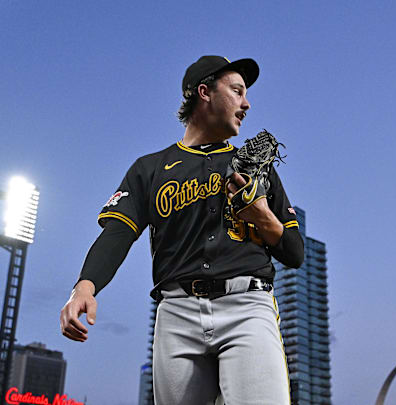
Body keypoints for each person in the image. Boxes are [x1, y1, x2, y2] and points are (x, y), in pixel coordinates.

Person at [60, 55, 304, 404]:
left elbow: (295, 253)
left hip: (247, 307)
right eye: (236, 91)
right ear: (204, 92)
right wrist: (84, 285)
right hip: (177, 313)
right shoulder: (150, 169)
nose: (246, 103)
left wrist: (263, 217)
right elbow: (117, 233)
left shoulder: (257, 171)